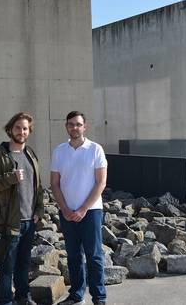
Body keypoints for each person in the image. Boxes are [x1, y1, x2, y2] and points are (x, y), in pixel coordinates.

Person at [0, 112, 44, 305]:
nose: (21, 132)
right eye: (18, 127)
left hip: (29, 221)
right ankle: (6, 301)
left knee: (24, 263)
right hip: (8, 221)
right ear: (10, 129)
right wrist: (10, 178)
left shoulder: (30, 154)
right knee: (7, 266)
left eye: (25, 128)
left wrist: (39, 211)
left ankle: (23, 297)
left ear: (29, 131)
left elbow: (38, 187)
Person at [51, 111, 108, 305]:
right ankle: (76, 294)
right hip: (67, 212)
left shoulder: (95, 149)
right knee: (74, 255)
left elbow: (101, 183)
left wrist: (83, 208)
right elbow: (55, 183)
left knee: (94, 256)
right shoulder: (59, 151)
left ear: (85, 126)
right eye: (70, 124)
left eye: (78, 124)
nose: (74, 128)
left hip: (91, 212)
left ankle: (99, 297)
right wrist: (64, 208)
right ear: (66, 127)